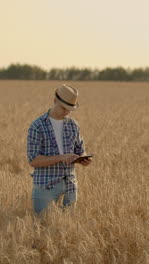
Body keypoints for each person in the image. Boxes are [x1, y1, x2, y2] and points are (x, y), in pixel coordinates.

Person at [27, 84, 92, 215]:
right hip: (45, 187)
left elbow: (80, 150)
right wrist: (62, 157)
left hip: (70, 186)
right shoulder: (37, 126)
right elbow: (33, 160)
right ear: (55, 100)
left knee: (68, 230)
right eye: (63, 108)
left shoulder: (73, 125)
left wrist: (83, 158)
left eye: (69, 109)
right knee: (42, 229)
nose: (66, 112)